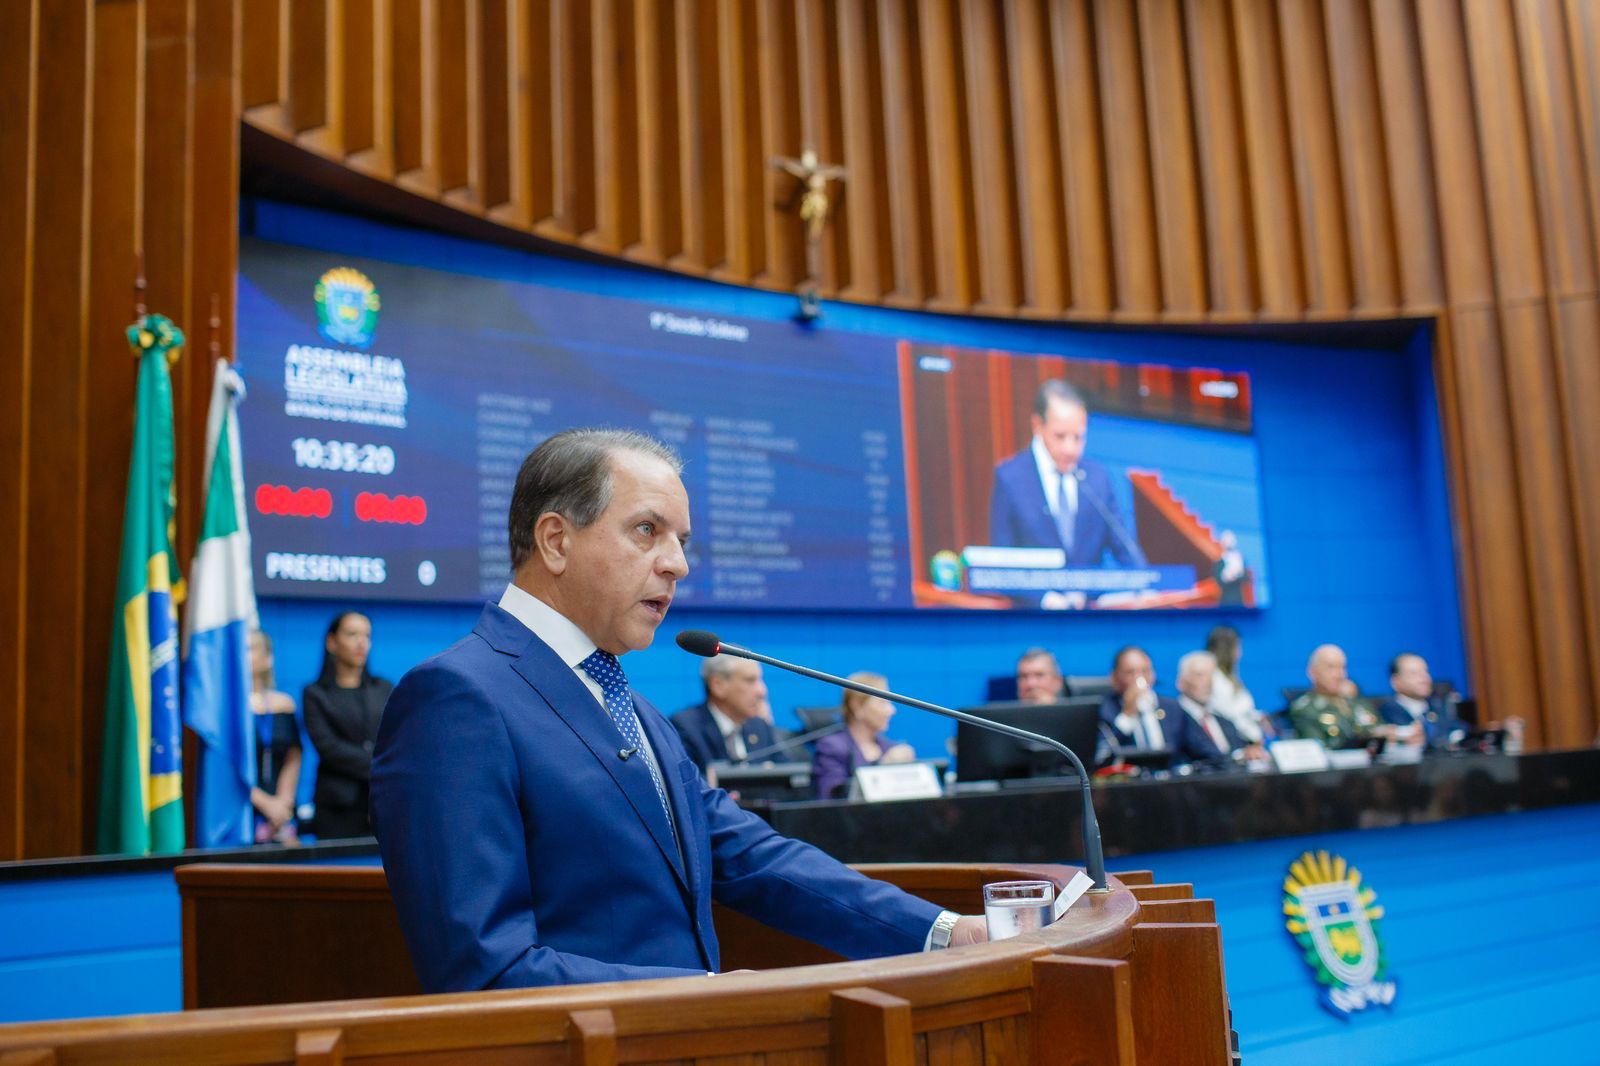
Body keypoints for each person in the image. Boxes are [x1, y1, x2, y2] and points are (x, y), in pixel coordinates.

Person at [370, 428, 985, 993]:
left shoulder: (632, 708)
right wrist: (700, 997)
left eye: (681, 541)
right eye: (647, 530)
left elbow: (752, 857)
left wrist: (945, 932)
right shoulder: (456, 699)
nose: (678, 564)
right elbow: (482, 967)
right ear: (556, 541)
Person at [988, 379, 1147, 568]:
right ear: (1037, 426)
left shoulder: (1097, 478)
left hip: (1088, 588)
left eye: (1078, 437)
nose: (1070, 449)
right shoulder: (1010, 478)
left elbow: (1126, 551)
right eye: (1060, 436)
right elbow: (1002, 561)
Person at [303, 610, 392, 839]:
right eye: (352, 634)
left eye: (367, 636)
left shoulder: (383, 688)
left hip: (383, 801)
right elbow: (328, 747)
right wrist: (380, 765)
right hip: (337, 806)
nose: (361, 642)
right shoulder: (316, 694)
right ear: (332, 642)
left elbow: (396, 738)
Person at [1097, 645, 1221, 764]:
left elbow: (1207, 751)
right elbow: (1102, 757)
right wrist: (1127, 716)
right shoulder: (1106, 710)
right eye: (1130, 673)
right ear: (1115, 678)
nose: (1140, 680)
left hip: (1170, 776)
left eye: (1145, 671)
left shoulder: (1172, 708)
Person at [811, 673, 917, 799]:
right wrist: (883, 769)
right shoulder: (832, 747)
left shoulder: (890, 747)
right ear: (857, 706)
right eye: (883, 702)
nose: (891, 710)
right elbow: (831, 796)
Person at [670, 655, 776, 773]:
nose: (762, 691)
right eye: (750, 680)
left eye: (759, 680)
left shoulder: (759, 726)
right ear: (718, 685)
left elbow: (787, 776)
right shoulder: (686, 727)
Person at [248, 629, 302, 844]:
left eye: (250, 649)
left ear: (268, 658)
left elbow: (293, 756)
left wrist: (282, 802)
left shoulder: (284, 703)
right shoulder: (227, 711)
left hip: (282, 813)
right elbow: (228, 769)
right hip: (242, 809)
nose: (244, 656)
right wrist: (266, 804)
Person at [1174, 650, 1261, 762]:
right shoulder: (1175, 720)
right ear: (1181, 682)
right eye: (1200, 675)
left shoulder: (1223, 720)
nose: (1208, 682)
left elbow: (1240, 749)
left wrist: (1251, 752)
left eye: (1211, 676)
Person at [1288, 644, 1381, 748]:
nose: (1339, 674)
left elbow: (1379, 729)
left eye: (1343, 667)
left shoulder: (1355, 702)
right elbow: (1318, 749)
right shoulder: (1305, 710)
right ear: (1312, 672)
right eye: (1331, 667)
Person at [1375, 653, 1468, 751]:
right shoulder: (1388, 712)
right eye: (1414, 674)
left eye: (1425, 672)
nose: (1424, 679)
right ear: (1395, 681)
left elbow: (1460, 729)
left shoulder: (1437, 705)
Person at [1204, 625, 1271, 743]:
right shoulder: (1214, 678)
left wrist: (1257, 717)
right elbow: (1230, 717)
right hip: (1235, 743)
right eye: (1237, 647)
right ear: (1226, 649)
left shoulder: (1228, 676)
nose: (1240, 653)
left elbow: (1242, 711)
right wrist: (1254, 739)